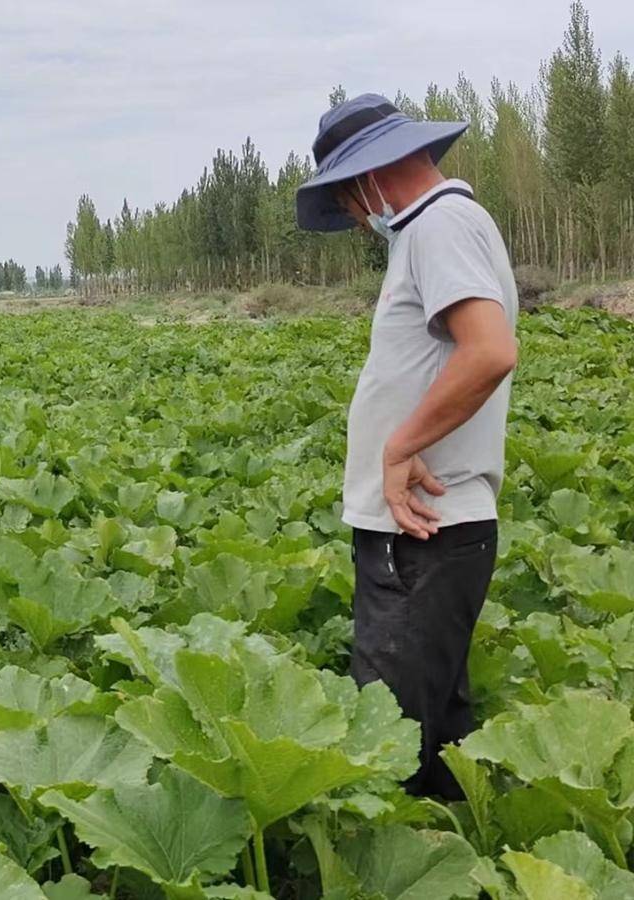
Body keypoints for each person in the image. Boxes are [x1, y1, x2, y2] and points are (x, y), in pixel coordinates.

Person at [296, 94, 519, 798]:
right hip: (429, 535)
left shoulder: (438, 225)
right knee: (434, 749)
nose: (356, 217)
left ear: (370, 177)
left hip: (420, 536)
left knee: (386, 760)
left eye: (349, 197)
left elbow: (488, 352)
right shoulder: (439, 227)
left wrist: (399, 448)